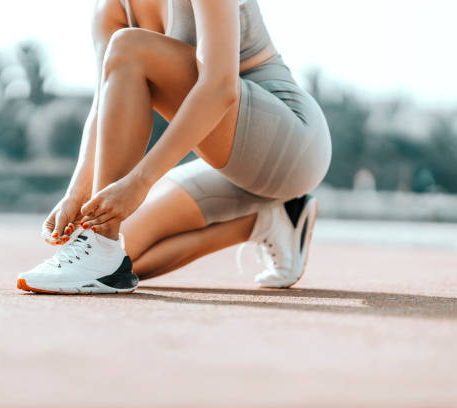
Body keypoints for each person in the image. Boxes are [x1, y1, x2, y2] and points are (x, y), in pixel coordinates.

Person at [17, 0, 332, 294]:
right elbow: (104, 104)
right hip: (228, 164)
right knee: (121, 261)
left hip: (289, 140)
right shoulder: (109, 7)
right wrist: (76, 193)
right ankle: (269, 220)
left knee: (129, 47)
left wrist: (140, 182)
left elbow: (220, 87)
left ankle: (99, 243)